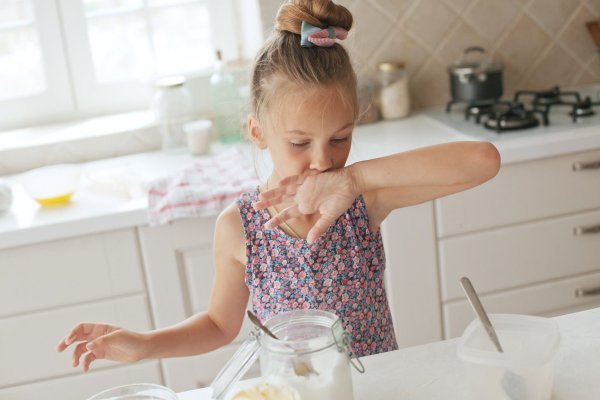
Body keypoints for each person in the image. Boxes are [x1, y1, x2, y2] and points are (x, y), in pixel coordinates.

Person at [57, 0, 500, 372]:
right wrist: (145, 343)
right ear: (257, 132)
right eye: (299, 142)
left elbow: (483, 161)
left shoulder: (362, 200)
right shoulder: (240, 227)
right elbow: (218, 324)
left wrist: (356, 177)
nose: (323, 159)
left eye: (340, 138)